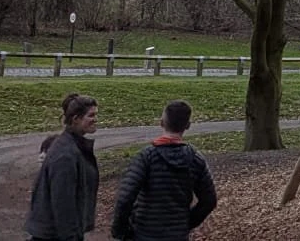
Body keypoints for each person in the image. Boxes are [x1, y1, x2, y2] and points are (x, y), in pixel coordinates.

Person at [112, 100, 217, 241]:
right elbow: (209, 200)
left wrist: (120, 231)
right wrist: (186, 223)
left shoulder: (146, 157)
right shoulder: (196, 160)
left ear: (161, 122)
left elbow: (125, 198)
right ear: (188, 126)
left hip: (144, 232)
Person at [27, 93, 100, 241]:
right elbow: (63, 205)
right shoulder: (65, 155)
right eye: (91, 116)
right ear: (76, 119)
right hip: (54, 235)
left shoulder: (72, 147)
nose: (95, 119)